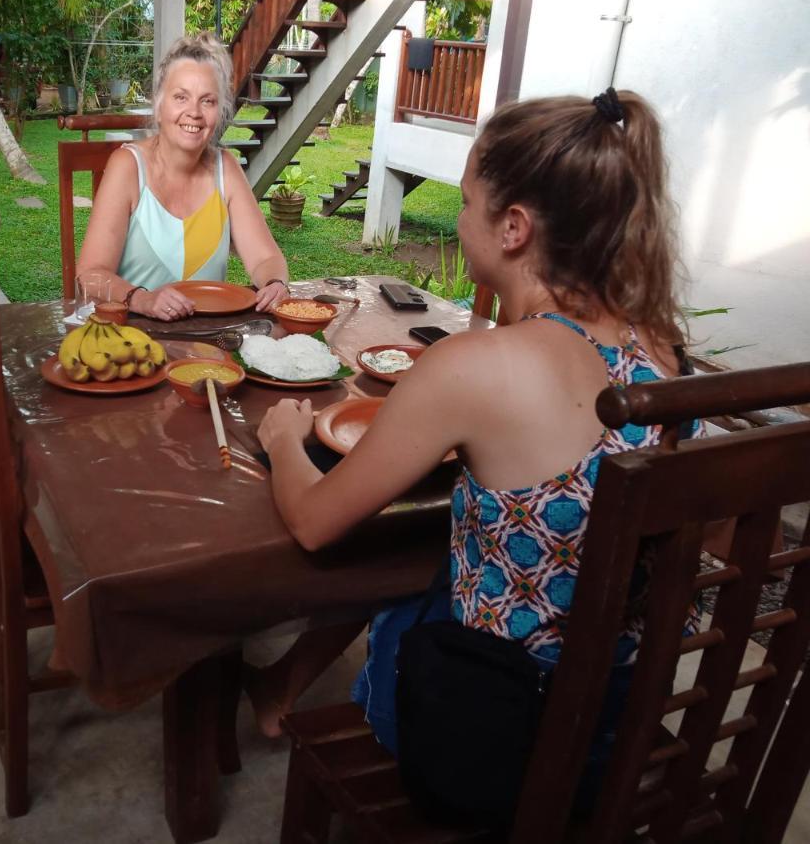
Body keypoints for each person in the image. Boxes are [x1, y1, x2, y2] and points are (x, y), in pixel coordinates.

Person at [249, 89, 701, 765]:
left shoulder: (474, 365)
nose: (460, 219)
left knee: (383, 557)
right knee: (424, 548)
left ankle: (279, 690)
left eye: (464, 202)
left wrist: (284, 438)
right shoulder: (666, 350)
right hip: (624, 721)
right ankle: (280, 685)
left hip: (494, 732)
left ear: (514, 227)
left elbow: (314, 523)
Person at [75, 32, 290, 322]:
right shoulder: (127, 166)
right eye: (181, 97)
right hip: (133, 341)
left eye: (208, 101)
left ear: (220, 111)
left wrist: (275, 283)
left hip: (209, 347)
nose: (194, 113)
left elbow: (266, 259)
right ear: (159, 105)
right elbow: (90, 275)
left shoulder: (225, 168)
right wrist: (143, 299)